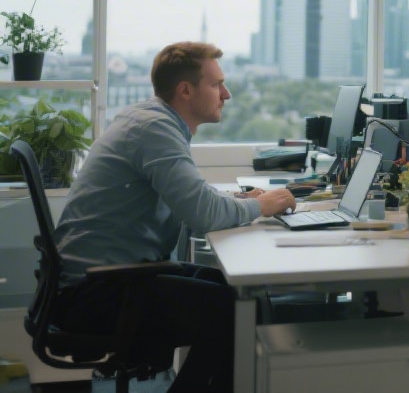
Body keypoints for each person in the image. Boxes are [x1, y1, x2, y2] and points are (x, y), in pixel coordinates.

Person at [53, 42, 296, 393]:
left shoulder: (151, 120)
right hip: (97, 292)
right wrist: (264, 206)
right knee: (235, 309)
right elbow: (202, 214)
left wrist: (239, 200)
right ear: (185, 90)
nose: (226, 94)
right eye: (216, 84)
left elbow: (192, 195)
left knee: (239, 291)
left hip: (108, 279)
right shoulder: (155, 129)